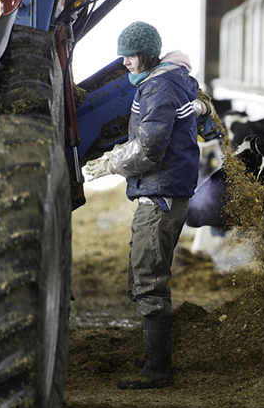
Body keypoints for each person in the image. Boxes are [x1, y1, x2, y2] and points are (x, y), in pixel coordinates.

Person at [84, 21, 201, 389]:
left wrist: (110, 163)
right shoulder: (169, 80)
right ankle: (154, 356)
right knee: (143, 273)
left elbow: (150, 148)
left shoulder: (159, 87)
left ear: (148, 54)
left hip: (160, 196)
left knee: (149, 279)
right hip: (162, 192)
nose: (125, 62)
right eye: (123, 54)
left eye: (131, 54)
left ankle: (157, 370)